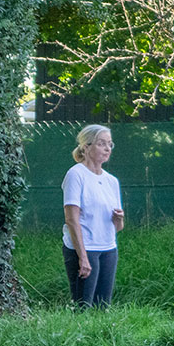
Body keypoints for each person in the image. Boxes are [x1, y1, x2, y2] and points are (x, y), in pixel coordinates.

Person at [62, 124, 124, 308]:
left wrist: (118, 219)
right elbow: (71, 220)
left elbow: (118, 228)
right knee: (83, 307)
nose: (107, 149)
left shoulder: (112, 181)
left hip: (108, 249)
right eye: (101, 143)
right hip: (84, 249)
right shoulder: (76, 175)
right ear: (86, 147)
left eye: (110, 144)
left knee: (102, 307)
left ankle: (101, 337)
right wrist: (83, 257)